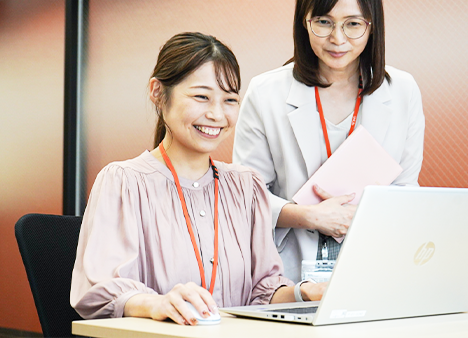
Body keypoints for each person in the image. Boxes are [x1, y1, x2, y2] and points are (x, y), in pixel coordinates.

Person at [70, 32, 325, 326]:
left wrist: (304, 293)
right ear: (157, 91)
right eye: (201, 97)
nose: (217, 114)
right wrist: (156, 303)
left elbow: (261, 291)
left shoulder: (246, 186)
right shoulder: (123, 182)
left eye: (229, 100)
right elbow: (100, 289)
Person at [233, 0, 425, 283]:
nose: (338, 39)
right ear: (304, 21)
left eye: (352, 24)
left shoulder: (402, 91)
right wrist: (308, 216)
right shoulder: (267, 93)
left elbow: (405, 191)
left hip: (376, 271)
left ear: (372, 25)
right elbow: (246, 198)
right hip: (289, 277)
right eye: (324, 22)